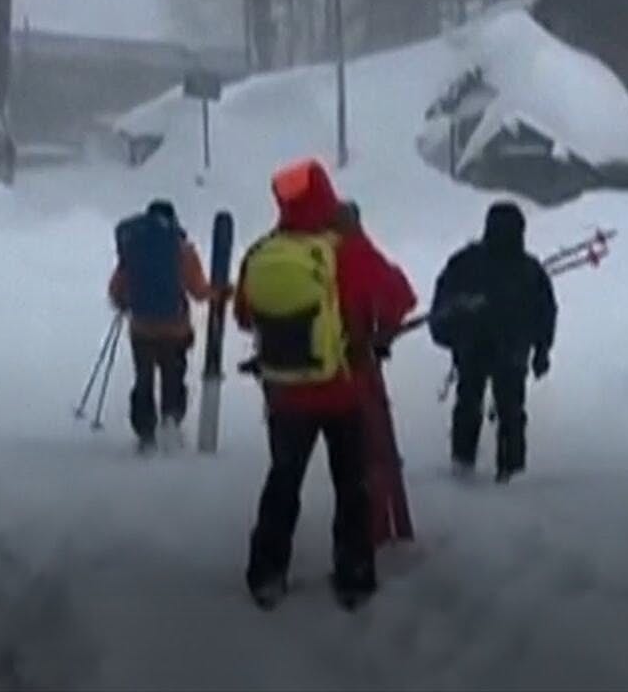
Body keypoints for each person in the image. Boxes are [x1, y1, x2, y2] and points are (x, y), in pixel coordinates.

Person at [234, 160, 408, 611]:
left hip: (285, 394)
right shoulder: (348, 250)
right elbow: (400, 296)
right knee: (352, 484)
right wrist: (376, 329)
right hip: (344, 388)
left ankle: (267, 574)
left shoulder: (262, 251)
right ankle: (353, 576)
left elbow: (243, 315)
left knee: (283, 479)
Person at [429, 201, 557, 484]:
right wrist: (542, 351)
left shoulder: (467, 262)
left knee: (476, 406)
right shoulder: (528, 269)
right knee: (507, 411)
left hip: (481, 348)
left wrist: (448, 334)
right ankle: (508, 471)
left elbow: (442, 303)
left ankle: (467, 465)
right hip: (503, 350)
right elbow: (545, 313)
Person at [335, 200, 418, 547]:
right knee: (374, 452)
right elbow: (403, 296)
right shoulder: (363, 255)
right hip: (359, 367)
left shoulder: (309, 254)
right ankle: (382, 529)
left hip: (303, 372)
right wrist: (384, 330)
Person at [108, 199, 215, 451]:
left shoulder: (134, 248)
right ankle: (171, 422)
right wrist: (219, 293)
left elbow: (116, 289)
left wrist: (125, 301)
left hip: (142, 328)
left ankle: (145, 432)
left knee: (143, 379)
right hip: (175, 328)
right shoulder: (182, 250)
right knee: (173, 376)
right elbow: (198, 291)